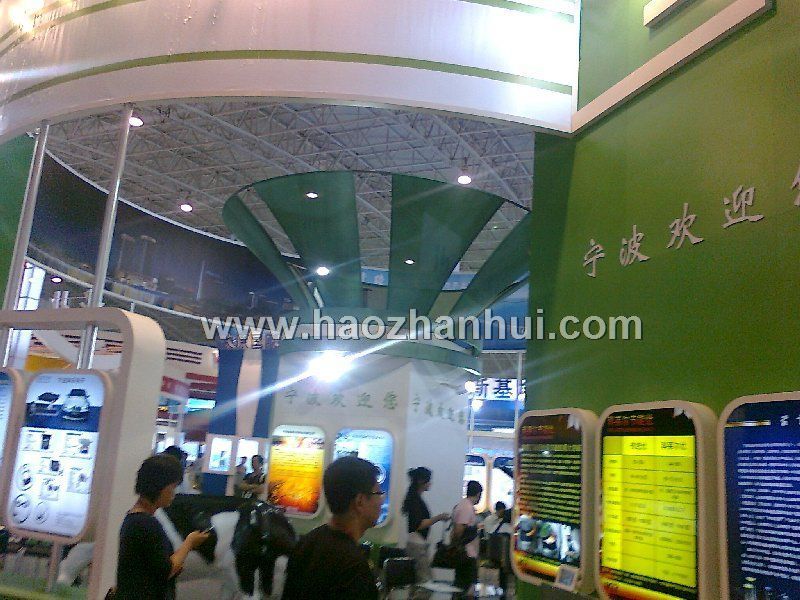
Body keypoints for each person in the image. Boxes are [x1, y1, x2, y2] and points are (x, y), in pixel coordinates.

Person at [281, 456, 382, 599]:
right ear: (360, 501)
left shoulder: (307, 542)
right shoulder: (354, 568)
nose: (381, 500)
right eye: (378, 493)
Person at [115, 455, 210, 599]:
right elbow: (166, 571)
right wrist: (189, 542)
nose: (174, 493)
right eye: (172, 487)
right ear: (159, 486)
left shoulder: (135, 519)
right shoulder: (145, 523)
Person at [401, 467, 449, 583]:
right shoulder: (416, 501)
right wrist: (439, 517)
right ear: (421, 481)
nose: (430, 483)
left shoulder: (414, 498)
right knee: (426, 582)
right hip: (417, 546)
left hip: (416, 544)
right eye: (428, 481)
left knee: (419, 581)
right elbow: (419, 524)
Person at [451, 480, 483, 596]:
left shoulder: (463, 505)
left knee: (461, 587)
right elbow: (459, 530)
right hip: (467, 554)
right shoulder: (467, 507)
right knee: (465, 588)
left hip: (465, 553)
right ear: (478, 494)